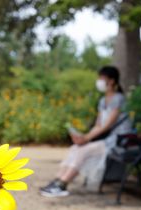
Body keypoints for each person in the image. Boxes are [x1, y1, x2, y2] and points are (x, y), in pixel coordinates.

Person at [40, 66, 132, 197]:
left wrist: (86, 139)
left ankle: (63, 184)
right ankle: (57, 180)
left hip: (117, 140)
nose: (98, 81)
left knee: (83, 150)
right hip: (104, 139)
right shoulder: (102, 101)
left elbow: (107, 125)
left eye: (101, 78)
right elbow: (98, 125)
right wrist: (82, 137)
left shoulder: (119, 99)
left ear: (111, 81)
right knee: (75, 147)